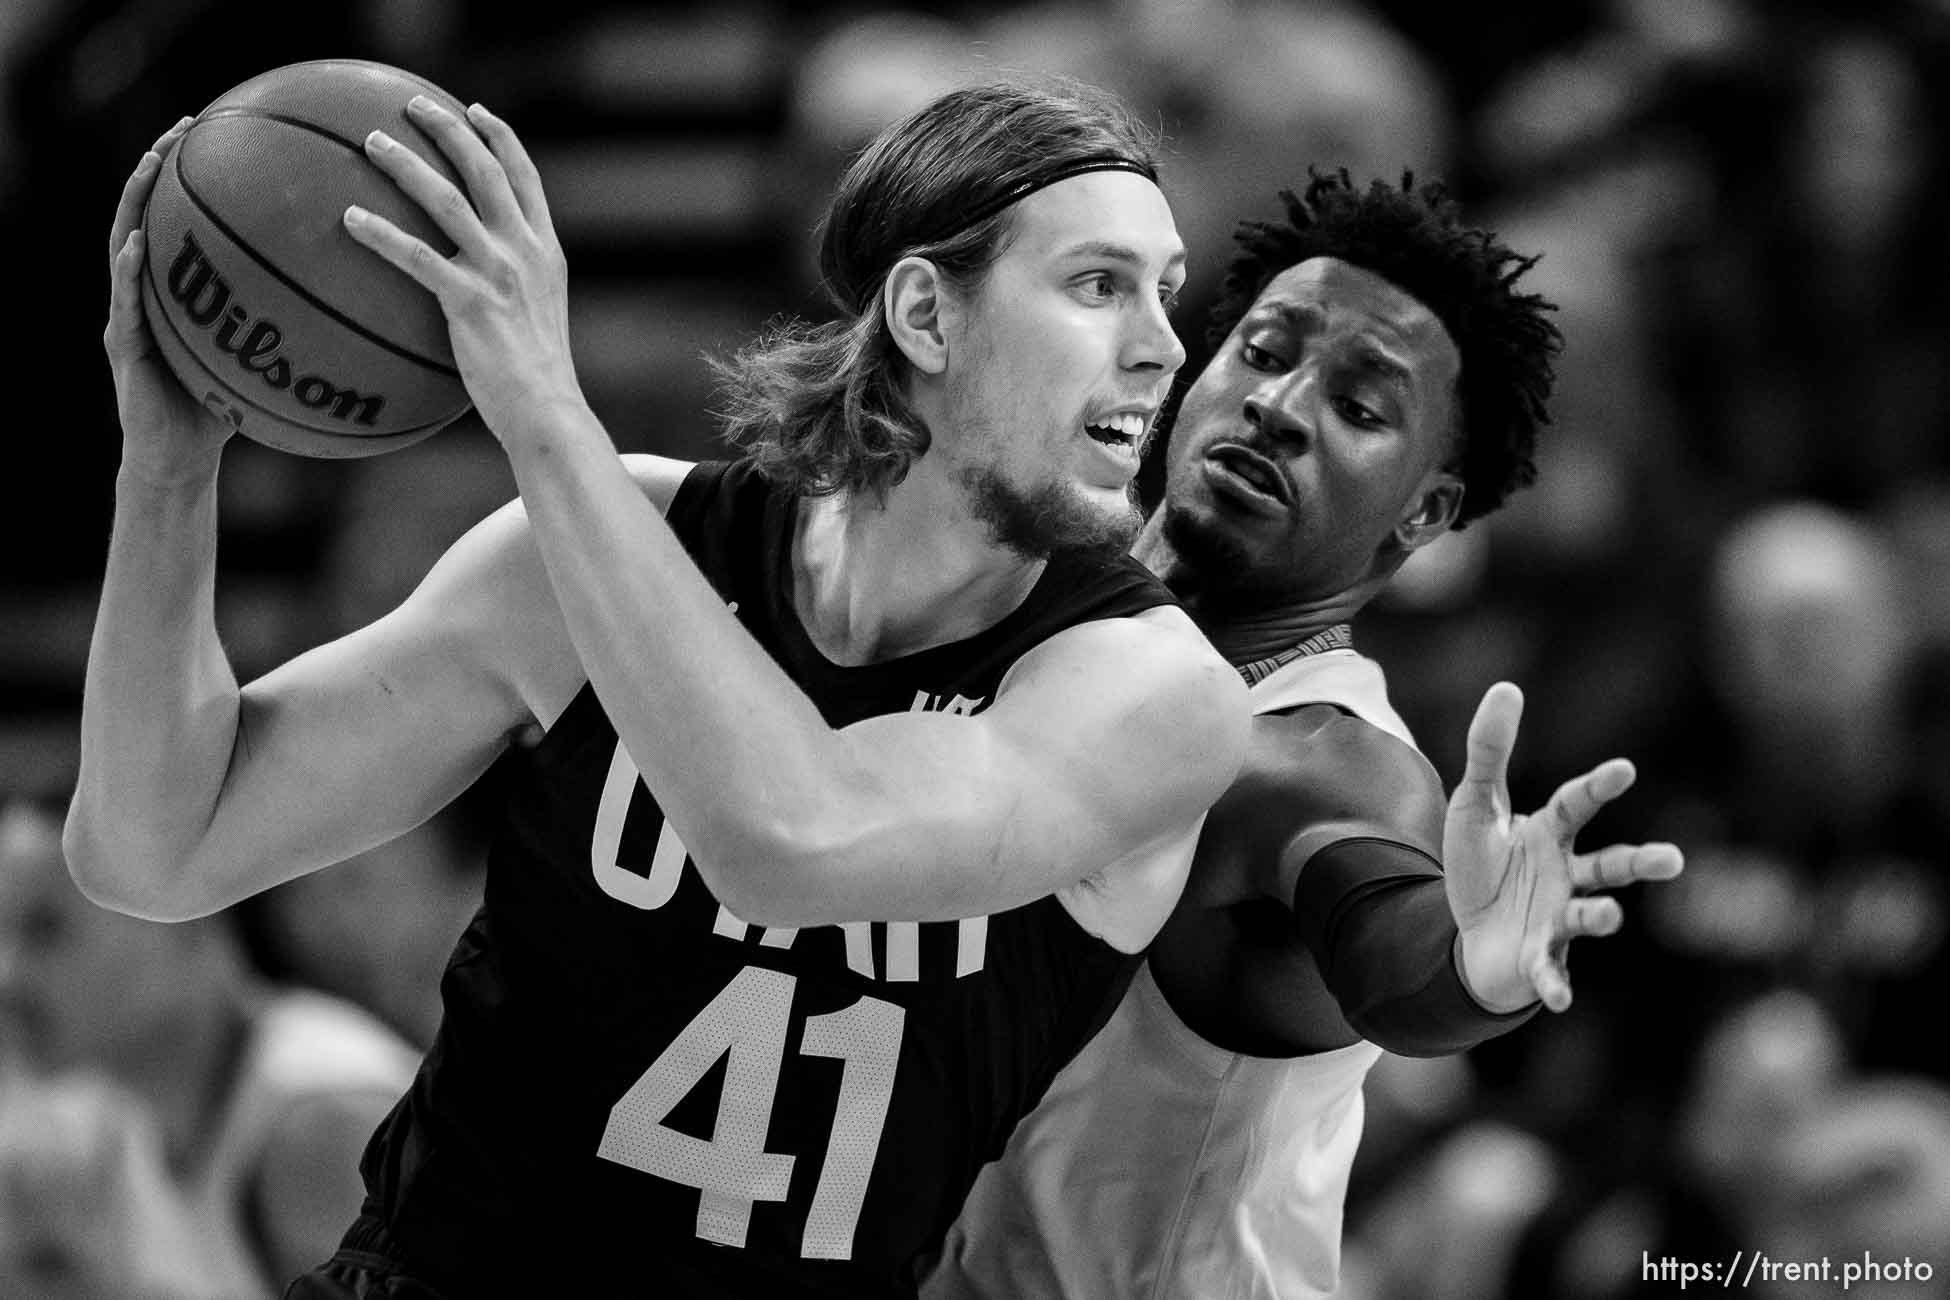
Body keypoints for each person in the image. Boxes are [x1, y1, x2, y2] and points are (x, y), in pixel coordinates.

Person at [78, 80, 1250, 1297]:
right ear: (924, 313)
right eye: (1099, 284)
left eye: (1166, 291)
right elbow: (159, 845)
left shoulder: (1151, 692)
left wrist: (540, 406)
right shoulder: (611, 543)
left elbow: (798, 837)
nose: (1165, 344)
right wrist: (166, 476)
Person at [922, 171, 1686, 1300]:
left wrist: (1479, 966)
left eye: (1362, 408)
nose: (1280, 405)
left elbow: (1399, 963)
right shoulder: (1017, 593)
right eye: (1267, 351)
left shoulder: (1320, 762)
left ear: (1425, 510)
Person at [0, 796, 419, 1296]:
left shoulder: (319, 1137)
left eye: (44, 927)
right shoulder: (122, 1128)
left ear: (185, 912)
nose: (8, 975)